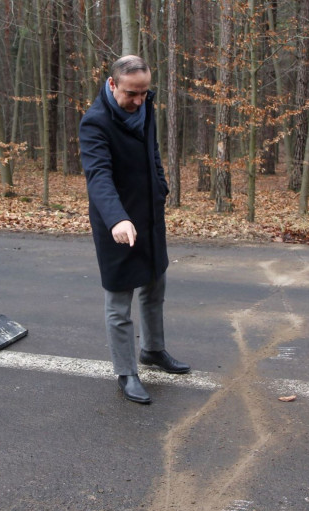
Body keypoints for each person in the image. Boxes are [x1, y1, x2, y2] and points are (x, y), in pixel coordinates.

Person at [79, 55, 189, 405]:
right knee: (119, 300)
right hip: (117, 223)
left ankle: (153, 350)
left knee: (155, 283)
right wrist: (117, 219)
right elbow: (98, 178)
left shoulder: (145, 107)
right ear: (112, 85)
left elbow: (152, 151)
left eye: (144, 92)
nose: (139, 100)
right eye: (132, 93)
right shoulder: (95, 123)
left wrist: (161, 187)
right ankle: (126, 372)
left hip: (150, 216)